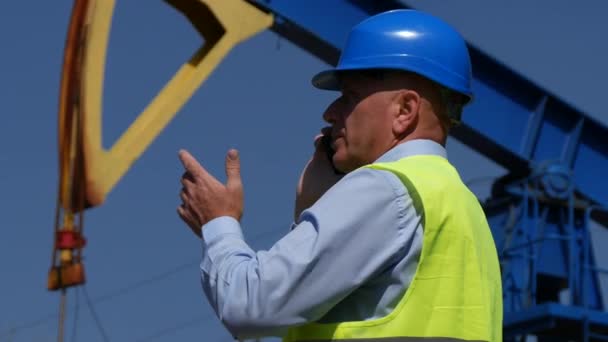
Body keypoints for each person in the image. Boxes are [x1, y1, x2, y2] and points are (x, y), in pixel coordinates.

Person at [177, 9, 503, 342]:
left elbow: (251, 306)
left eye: (350, 97)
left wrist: (218, 224)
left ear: (405, 111)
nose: (330, 113)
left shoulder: (384, 189)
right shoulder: (462, 209)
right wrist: (316, 211)